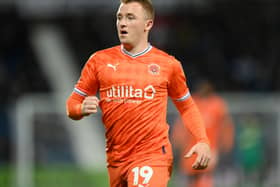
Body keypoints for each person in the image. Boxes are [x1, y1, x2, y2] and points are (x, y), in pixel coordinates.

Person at [66, 0, 211, 186]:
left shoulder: (168, 65)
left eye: (130, 17)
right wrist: (80, 108)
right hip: (116, 159)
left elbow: (187, 106)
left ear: (148, 24)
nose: (122, 23)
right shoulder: (99, 61)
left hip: (152, 156)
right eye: (119, 17)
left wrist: (202, 140)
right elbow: (72, 105)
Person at [171, 80, 235, 187]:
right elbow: (181, 124)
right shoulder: (193, 102)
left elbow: (226, 126)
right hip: (191, 149)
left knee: (206, 176)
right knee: (191, 177)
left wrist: (226, 143)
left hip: (210, 148)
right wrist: (177, 141)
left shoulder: (217, 104)